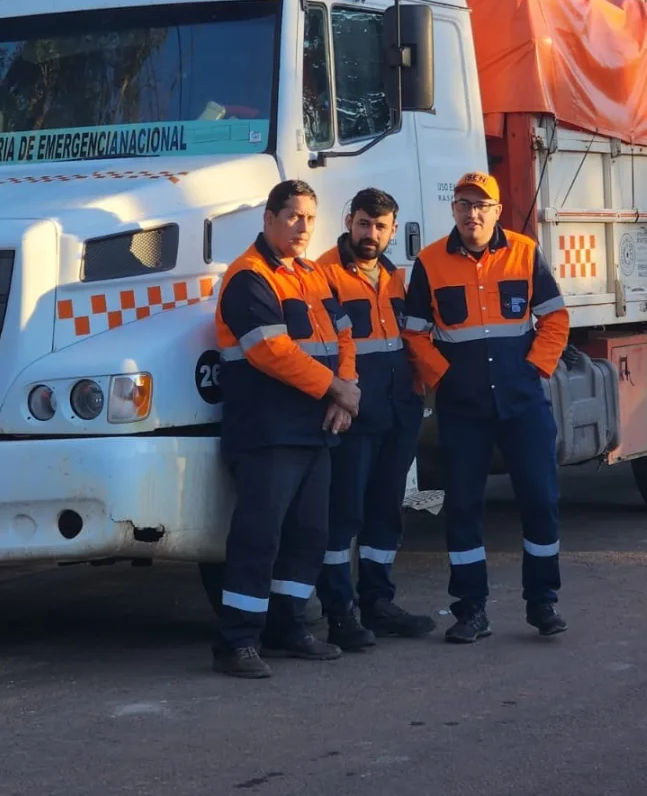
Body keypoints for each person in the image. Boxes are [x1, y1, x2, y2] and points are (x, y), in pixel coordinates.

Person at [402, 171, 570, 643]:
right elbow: (414, 331)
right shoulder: (430, 262)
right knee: (463, 507)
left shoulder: (524, 252)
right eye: (463, 204)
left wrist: (536, 369)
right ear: (452, 209)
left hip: (523, 404)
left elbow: (555, 317)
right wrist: (445, 378)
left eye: (481, 205)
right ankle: (470, 611)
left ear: (496, 211)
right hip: (463, 408)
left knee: (540, 500)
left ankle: (543, 602)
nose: (471, 214)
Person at [213, 179, 361, 678]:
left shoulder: (312, 275)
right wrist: (336, 391)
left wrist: (345, 389)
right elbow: (270, 351)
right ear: (269, 219)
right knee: (259, 538)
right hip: (268, 432)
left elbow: (344, 333)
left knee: (309, 535)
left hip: (314, 428)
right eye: (293, 216)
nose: (302, 227)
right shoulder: (248, 278)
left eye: (310, 219)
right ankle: (236, 642)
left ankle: (287, 627)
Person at [315, 188, 436, 650]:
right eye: (364, 223)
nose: (371, 234)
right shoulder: (323, 274)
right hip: (352, 415)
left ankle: (378, 604)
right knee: (343, 515)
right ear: (349, 220)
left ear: (391, 230)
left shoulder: (395, 278)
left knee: (386, 511)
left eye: (381, 226)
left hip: (397, 411)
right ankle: (339, 613)